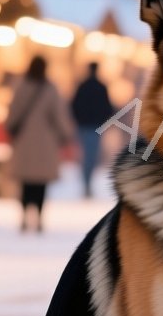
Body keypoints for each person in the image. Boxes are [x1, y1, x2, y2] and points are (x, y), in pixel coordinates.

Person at [8, 56, 73, 233]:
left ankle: (23, 216)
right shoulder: (50, 89)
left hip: (24, 142)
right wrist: (66, 136)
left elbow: (12, 113)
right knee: (40, 185)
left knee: (25, 183)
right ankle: (38, 217)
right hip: (45, 142)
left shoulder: (20, 87)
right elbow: (59, 115)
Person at [69, 62, 115, 198]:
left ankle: (86, 182)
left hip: (83, 126)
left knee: (85, 155)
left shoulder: (82, 86)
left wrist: (78, 120)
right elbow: (108, 108)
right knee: (91, 156)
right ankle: (87, 183)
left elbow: (73, 106)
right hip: (95, 126)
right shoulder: (101, 87)